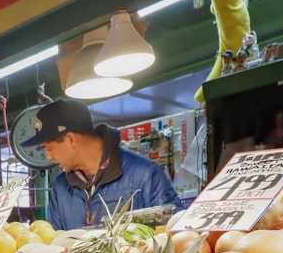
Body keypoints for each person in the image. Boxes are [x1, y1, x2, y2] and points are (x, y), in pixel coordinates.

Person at [20, 98, 183, 230]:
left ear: (70, 139)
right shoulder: (60, 187)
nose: (49, 156)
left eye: (49, 148)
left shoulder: (146, 174)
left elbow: (175, 232)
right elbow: (55, 245)